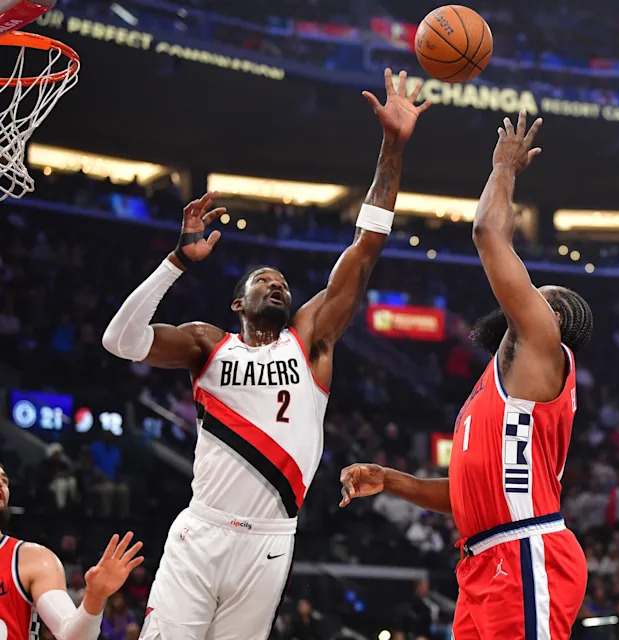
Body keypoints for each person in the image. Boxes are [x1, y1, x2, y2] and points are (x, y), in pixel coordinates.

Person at [101, 68, 430, 640]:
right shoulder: (207, 343)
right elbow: (120, 341)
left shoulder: (311, 340)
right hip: (200, 533)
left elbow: (366, 245)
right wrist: (175, 263)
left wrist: (392, 148)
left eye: (283, 282)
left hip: (271, 541)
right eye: (263, 280)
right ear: (238, 303)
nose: (277, 285)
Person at [340, 110, 595, 639]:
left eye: (537, 294)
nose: (522, 293)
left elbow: (486, 231)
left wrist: (504, 168)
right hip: (483, 559)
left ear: (554, 322)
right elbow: (466, 493)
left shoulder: (544, 349)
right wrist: (392, 481)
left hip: (524, 549)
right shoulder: (497, 385)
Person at [0, 462, 144, 640]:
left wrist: (95, 597)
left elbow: (72, 636)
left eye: (4, 480)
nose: (1, 484)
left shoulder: (32, 559)